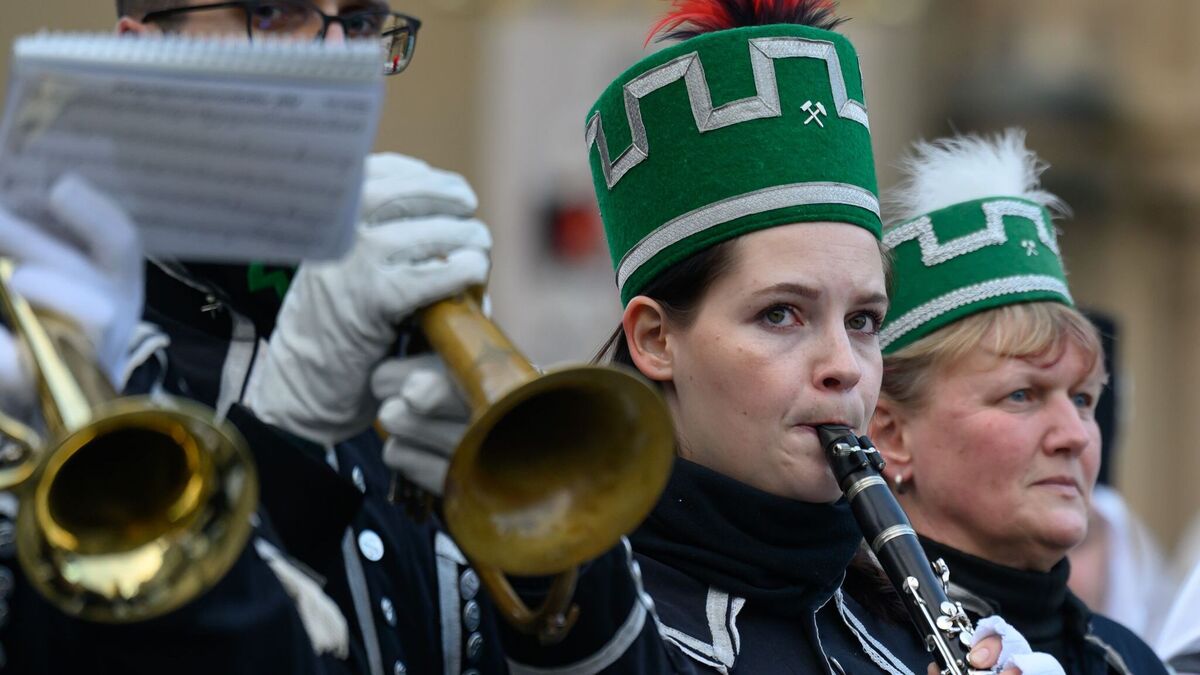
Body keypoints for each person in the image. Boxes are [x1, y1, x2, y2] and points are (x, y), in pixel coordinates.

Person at [0, 2, 669, 673]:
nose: (336, 64)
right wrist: (286, 443)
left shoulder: (399, 329)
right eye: (274, 14)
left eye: (357, 25)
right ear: (141, 62)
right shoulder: (50, 363)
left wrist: (538, 529)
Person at [866, 129, 1170, 675]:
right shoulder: (833, 648)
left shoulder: (1130, 661)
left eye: (1082, 398)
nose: (1074, 434)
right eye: (1022, 395)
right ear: (891, 435)